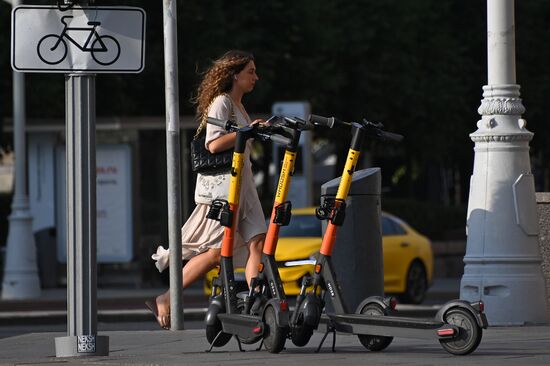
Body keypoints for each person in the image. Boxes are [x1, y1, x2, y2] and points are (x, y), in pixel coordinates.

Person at [146, 50, 267, 329]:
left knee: (257, 243)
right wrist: (248, 132)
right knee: (215, 252)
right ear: (235, 75)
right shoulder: (221, 103)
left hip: (245, 188)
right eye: (251, 71)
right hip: (226, 190)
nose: (255, 77)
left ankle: (256, 300)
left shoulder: (239, 106)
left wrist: (256, 129)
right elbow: (213, 144)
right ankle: (165, 298)